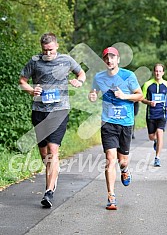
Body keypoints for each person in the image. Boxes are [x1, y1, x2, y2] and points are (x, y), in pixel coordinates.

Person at [19, 32, 86, 208]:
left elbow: (81, 74)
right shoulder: (35, 61)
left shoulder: (66, 60)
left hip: (59, 110)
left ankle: (49, 192)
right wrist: (31, 90)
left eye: (50, 50)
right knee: (44, 154)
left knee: (52, 150)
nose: (47, 53)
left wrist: (79, 81)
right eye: (44, 50)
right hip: (39, 111)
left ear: (56, 46)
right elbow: (22, 81)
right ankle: (53, 173)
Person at [88, 46, 143, 210]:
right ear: (104, 60)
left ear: (118, 59)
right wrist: (92, 96)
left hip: (125, 123)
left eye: (112, 57)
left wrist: (124, 96)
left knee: (122, 160)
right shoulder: (99, 77)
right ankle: (111, 196)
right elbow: (93, 93)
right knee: (110, 159)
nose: (109, 60)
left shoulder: (128, 76)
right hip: (108, 122)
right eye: (106, 58)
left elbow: (139, 95)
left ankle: (125, 169)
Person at [142, 63, 167, 167]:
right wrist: (149, 102)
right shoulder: (147, 84)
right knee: (152, 136)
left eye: (160, 71)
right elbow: (141, 98)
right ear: (153, 72)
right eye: (156, 71)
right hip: (151, 114)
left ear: (163, 73)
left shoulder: (166, 84)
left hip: (162, 113)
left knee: (160, 132)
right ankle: (155, 141)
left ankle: (157, 158)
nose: (158, 73)